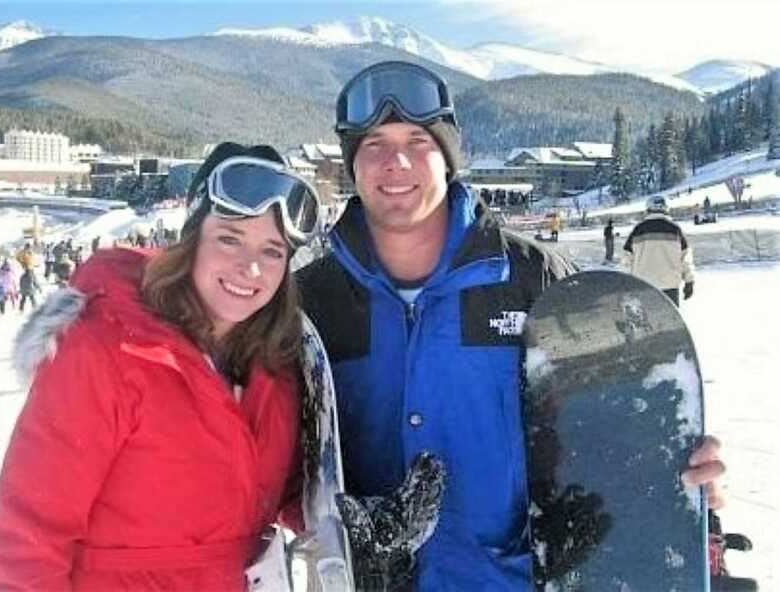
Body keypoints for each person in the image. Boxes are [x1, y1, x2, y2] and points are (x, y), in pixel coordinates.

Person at [298, 60, 726, 589]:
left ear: (449, 157)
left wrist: (678, 478)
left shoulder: (536, 280)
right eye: (374, 145)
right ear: (353, 165)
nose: (397, 162)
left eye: (418, 140)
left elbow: (612, 433)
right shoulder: (310, 303)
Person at [0, 143, 320, 591]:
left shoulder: (273, 367)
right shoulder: (106, 351)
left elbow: (274, 491)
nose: (251, 268)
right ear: (190, 240)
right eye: (229, 238)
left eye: (273, 250)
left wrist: (343, 517)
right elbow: (27, 540)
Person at [623, 195, 695, 306]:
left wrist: (626, 282)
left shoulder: (638, 230)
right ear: (666, 208)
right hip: (670, 286)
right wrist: (689, 281)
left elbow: (626, 258)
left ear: (648, 209)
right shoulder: (675, 229)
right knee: (670, 320)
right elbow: (685, 258)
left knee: (647, 321)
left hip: (643, 285)